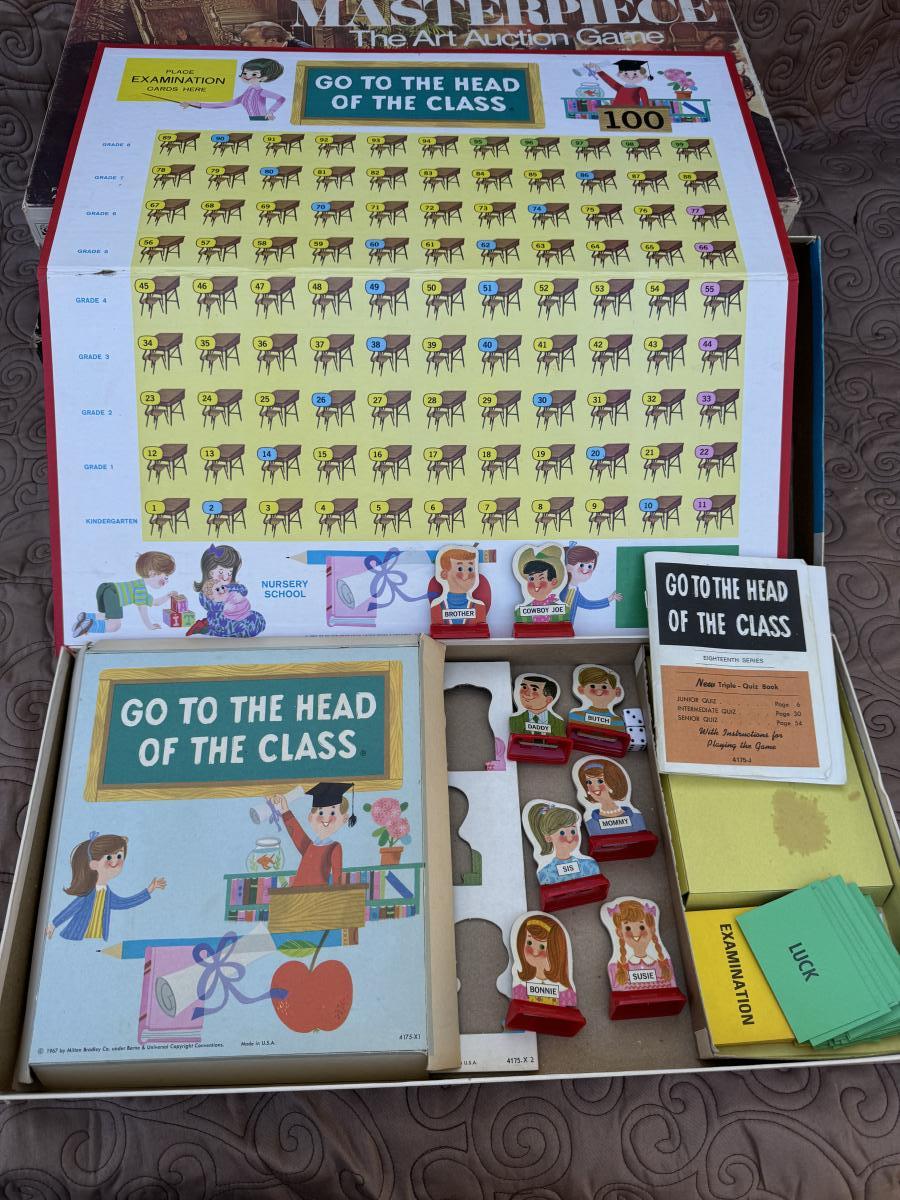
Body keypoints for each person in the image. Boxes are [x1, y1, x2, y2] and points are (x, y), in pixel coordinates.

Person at [45, 833, 166, 941]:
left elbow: (125, 903)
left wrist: (149, 890)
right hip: (78, 938)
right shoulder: (89, 893)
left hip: (97, 939)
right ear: (94, 864)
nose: (115, 862)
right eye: (109, 857)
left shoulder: (107, 894)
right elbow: (71, 909)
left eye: (119, 856)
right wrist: (53, 925)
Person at [72, 551, 176, 637]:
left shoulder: (138, 586)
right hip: (114, 594)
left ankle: (85, 617)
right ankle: (89, 626)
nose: (166, 581)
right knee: (114, 626)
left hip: (106, 588)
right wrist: (149, 626)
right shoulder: (140, 589)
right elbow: (142, 610)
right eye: (165, 577)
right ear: (152, 573)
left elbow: (155, 602)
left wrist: (168, 596)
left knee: (107, 616)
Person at [272, 782, 356, 887]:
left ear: (344, 818)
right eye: (320, 813)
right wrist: (284, 809)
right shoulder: (309, 846)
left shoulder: (334, 847)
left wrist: (336, 894)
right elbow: (296, 833)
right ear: (311, 817)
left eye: (332, 813)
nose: (325, 817)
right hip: (296, 893)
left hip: (317, 894)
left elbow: (337, 879)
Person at [189, 544, 265, 637]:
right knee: (246, 627)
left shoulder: (228, 587)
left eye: (229, 573)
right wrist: (224, 606)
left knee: (257, 617)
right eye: (221, 572)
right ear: (210, 572)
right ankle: (216, 631)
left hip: (239, 614)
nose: (225, 577)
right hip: (221, 620)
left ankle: (250, 627)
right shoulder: (206, 591)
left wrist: (238, 594)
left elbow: (243, 590)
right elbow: (208, 604)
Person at [526, 802, 601, 887]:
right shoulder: (545, 873)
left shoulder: (589, 865)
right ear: (548, 838)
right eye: (562, 833)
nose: (569, 838)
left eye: (573, 831)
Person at [185, 58, 285, 121]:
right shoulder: (248, 92)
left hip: (263, 121)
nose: (246, 76)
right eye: (245, 73)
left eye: (254, 74)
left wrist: (271, 111)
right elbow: (225, 104)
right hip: (253, 122)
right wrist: (198, 104)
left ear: (264, 78)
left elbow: (281, 99)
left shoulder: (261, 92)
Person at [605, 898, 674, 989]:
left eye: (642, 927)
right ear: (620, 933)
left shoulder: (665, 965)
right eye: (628, 928)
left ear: (652, 929)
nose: (635, 933)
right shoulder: (615, 968)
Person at [511, 914, 577, 1007]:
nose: (535, 952)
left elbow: (568, 1009)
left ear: (556, 951)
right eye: (529, 943)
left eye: (542, 947)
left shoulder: (566, 993)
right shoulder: (520, 988)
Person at [559, 544, 622, 623]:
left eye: (590, 566)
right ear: (568, 566)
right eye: (581, 565)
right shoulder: (560, 587)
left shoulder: (575, 590)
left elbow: (587, 604)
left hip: (568, 626)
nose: (586, 570)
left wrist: (609, 599)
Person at [431, 547, 487, 626]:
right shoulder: (436, 608)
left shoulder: (479, 608)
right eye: (460, 568)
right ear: (444, 574)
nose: (467, 574)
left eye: (470, 569)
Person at [570, 665, 626, 731]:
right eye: (592, 686)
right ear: (581, 689)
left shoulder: (618, 722)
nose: (599, 690)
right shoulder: (575, 716)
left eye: (604, 687)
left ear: (617, 691)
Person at [589, 59, 654, 107]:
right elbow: (609, 80)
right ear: (619, 75)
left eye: (635, 74)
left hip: (631, 114)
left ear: (644, 76)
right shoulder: (620, 88)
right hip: (614, 113)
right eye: (626, 73)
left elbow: (646, 106)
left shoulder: (640, 89)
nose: (630, 77)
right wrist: (598, 69)